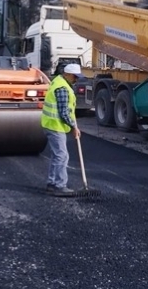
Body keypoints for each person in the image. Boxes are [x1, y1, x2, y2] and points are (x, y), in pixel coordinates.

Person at [41, 63, 84, 197]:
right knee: (62, 156)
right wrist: (73, 127)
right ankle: (59, 186)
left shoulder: (58, 81)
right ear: (68, 74)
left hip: (51, 124)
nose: (76, 80)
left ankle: (52, 183)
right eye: (75, 77)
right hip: (55, 125)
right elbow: (64, 112)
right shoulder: (63, 88)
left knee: (56, 156)